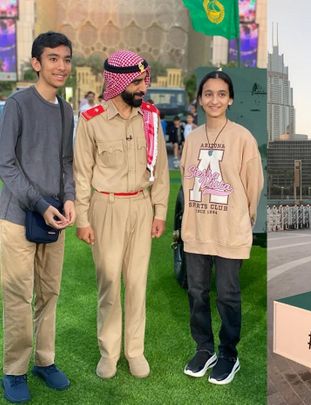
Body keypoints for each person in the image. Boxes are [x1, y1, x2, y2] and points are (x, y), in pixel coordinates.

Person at [74, 50, 170, 379]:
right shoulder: (92, 121)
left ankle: (135, 352)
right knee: (110, 284)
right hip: (106, 207)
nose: (145, 86)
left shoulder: (151, 118)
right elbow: (82, 174)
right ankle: (109, 352)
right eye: (139, 81)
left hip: (141, 207)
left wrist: (159, 211)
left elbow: (160, 170)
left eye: (145, 80)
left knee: (137, 283)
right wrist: (83, 219)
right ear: (120, 82)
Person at [0, 31, 75, 403]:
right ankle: (14, 370)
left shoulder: (66, 109)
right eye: (53, 59)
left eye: (66, 59)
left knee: (49, 292)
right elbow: (7, 165)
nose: (61, 66)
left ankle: (45, 362)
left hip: (54, 216)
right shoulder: (17, 105)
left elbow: (65, 162)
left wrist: (70, 198)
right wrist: (40, 203)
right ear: (36, 63)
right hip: (17, 217)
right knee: (18, 295)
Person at [180, 70, 263, 385]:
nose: (214, 99)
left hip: (229, 229)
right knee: (197, 293)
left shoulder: (242, 137)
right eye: (208, 93)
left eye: (221, 93)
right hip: (198, 229)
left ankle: (228, 353)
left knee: (228, 295)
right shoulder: (193, 138)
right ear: (200, 100)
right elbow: (188, 182)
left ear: (230, 99)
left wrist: (246, 215)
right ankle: (204, 349)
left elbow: (253, 184)